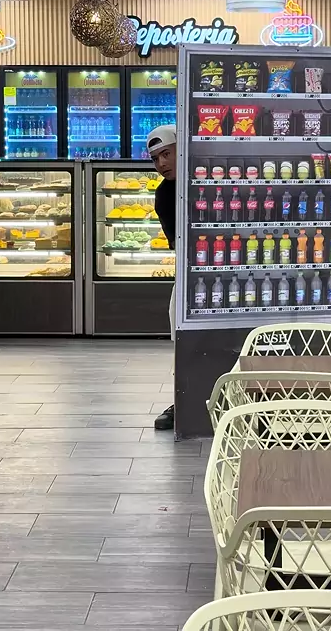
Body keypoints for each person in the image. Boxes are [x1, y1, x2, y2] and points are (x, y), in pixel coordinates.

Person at [147, 124, 177, 431]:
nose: (162, 164)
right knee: (179, 330)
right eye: (156, 159)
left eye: (166, 154)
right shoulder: (164, 194)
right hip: (192, 272)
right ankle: (183, 398)